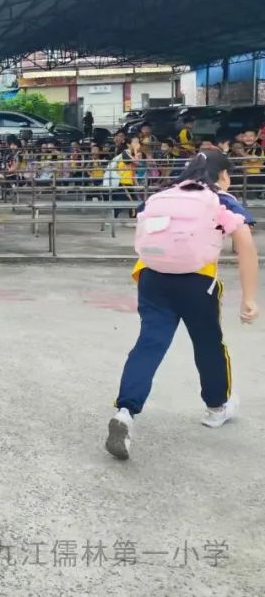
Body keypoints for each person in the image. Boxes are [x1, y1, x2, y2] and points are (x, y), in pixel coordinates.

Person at [105, 150, 259, 461]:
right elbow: (245, 243)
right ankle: (217, 407)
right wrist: (249, 298)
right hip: (196, 283)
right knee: (208, 345)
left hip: (151, 278)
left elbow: (141, 218)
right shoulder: (220, 198)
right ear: (223, 176)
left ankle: (126, 411)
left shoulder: (163, 194)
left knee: (149, 344)